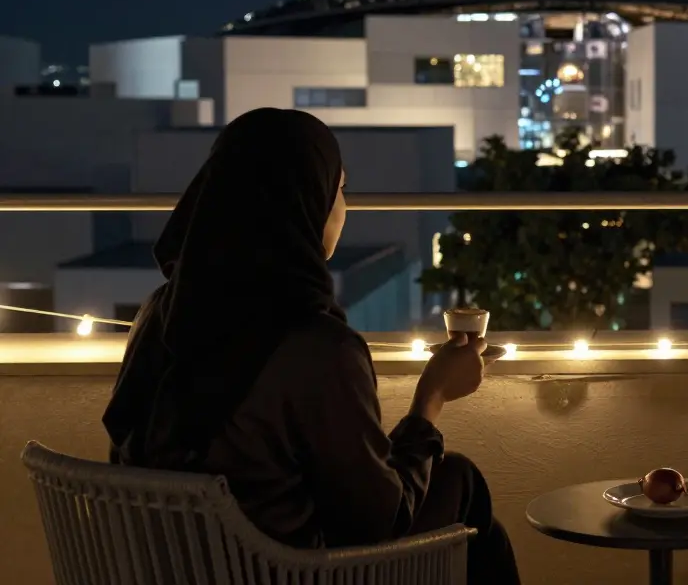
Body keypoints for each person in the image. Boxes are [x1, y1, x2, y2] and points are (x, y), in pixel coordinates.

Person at [102, 108, 520, 584]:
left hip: (174, 569)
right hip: (291, 574)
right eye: (339, 189)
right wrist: (432, 398)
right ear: (305, 200)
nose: (343, 207)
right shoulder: (316, 347)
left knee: (471, 512)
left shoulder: (160, 315)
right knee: (462, 482)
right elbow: (379, 523)